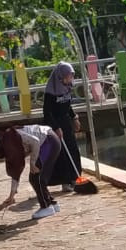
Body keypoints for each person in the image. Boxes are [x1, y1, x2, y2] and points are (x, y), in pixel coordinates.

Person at [0, 124, 62, 220]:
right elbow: (15, 172)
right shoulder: (9, 145)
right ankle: (52, 204)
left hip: (49, 141)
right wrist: (11, 196)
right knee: (35, 177)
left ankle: (46, 207)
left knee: (36, 177)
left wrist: (32, 162)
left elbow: (35, 141)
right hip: (47, 142)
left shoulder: (12, 138)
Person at [41, 61, 97, 194]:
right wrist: (56, 127)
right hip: (54, 125)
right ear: (60, 76)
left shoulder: (67, 87)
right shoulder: (51, 92)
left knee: (73, 150)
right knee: (62, 154)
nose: (70, 79)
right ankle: (65, 182)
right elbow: (47, 112)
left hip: (66, 123)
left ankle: (75, 178)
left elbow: (67, 105)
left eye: (71, 76)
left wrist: (74, 117)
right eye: (68, 76)